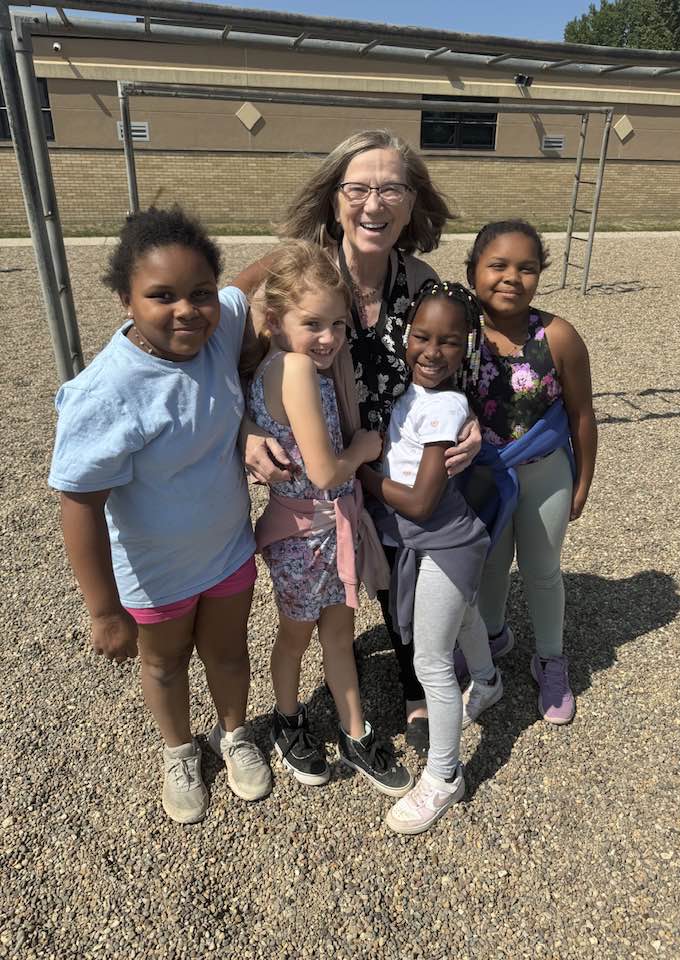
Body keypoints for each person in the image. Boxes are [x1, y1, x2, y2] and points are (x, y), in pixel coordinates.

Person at [237, 130, 483, 755]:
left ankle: (418, 685)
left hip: (390, 465)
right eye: (358, 188)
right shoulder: (296, 273)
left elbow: (453, 361)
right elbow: (210, 349)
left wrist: (470, 421)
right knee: (331, 601)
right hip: (325, 474)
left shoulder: (423, 281)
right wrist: (243, 430)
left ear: (411, 201)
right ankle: (300, 712)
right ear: (333, 198)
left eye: (391, 188)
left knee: (406, 572)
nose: (374, 203)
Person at [48, 206, 272, 824]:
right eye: (161, 295)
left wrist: (311, 248)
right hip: (154, 572)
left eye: (199, 292)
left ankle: (234, 734)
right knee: (166, 662)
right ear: (125, 298)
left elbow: (251, 279)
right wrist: (103, 610)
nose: (186, 310)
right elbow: (80, 503)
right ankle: (178, 750)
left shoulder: (219, 327)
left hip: (227, 550)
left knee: (228, 655)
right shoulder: (108, 392)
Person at [246, 240, 412, 798]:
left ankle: (355, 731)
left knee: (338, 635)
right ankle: (287, 721)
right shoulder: (292, 367)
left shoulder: (289, 366)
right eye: (312, 322)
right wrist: (365, 448)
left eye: (338, 325)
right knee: (297, 637)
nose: (329, 338)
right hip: (304, 536)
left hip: (327, 532)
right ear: (274, 321)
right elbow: (322, 471)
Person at [358, 280, 502, 835]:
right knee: (462, 616)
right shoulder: (411, 394)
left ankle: (444, 776)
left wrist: (366, 475)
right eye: (422, 337)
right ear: (405, 336)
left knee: (431, 663)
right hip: (438, 540)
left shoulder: (443, 406)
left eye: (448, 342)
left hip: (442, 538)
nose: (431, 352)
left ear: (466, 346)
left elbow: (419, 500)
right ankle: (488, 680)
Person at [464, 220, 598, 725]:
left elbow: (583, 415)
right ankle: (493, 635)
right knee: (490, 565)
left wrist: (582, 483)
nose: (511, 278)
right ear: (473, 270)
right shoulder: (461, 330)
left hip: (545, 472)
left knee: (542, 570)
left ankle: (550, 657)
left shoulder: (558, 336)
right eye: (497, 265)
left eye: (526, 267)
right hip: (484, 476)